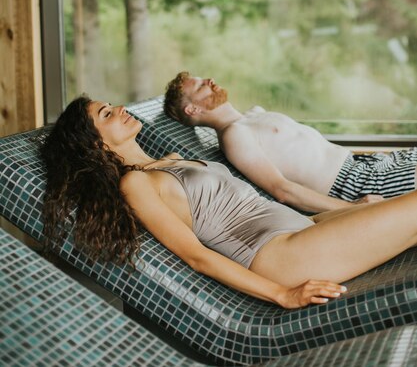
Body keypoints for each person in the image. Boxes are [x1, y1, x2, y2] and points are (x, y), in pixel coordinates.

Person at [42, 94, 417, 311]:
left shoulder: (171, 159)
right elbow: (195, 255)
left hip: (307, 230)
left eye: (112, 105)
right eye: (106, 114)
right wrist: (281, 293)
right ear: (94, 144)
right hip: (283, 255)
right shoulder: (136, 184)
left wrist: (353, 210)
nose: (120, 108)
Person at [163, 72, 417, 213]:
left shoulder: (252, 115)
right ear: (192, 110)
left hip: (372, 165)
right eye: (200, 86)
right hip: (357, 184)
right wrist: (352, 209)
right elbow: (282, 190)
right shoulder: (233, 136)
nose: (210, 80)